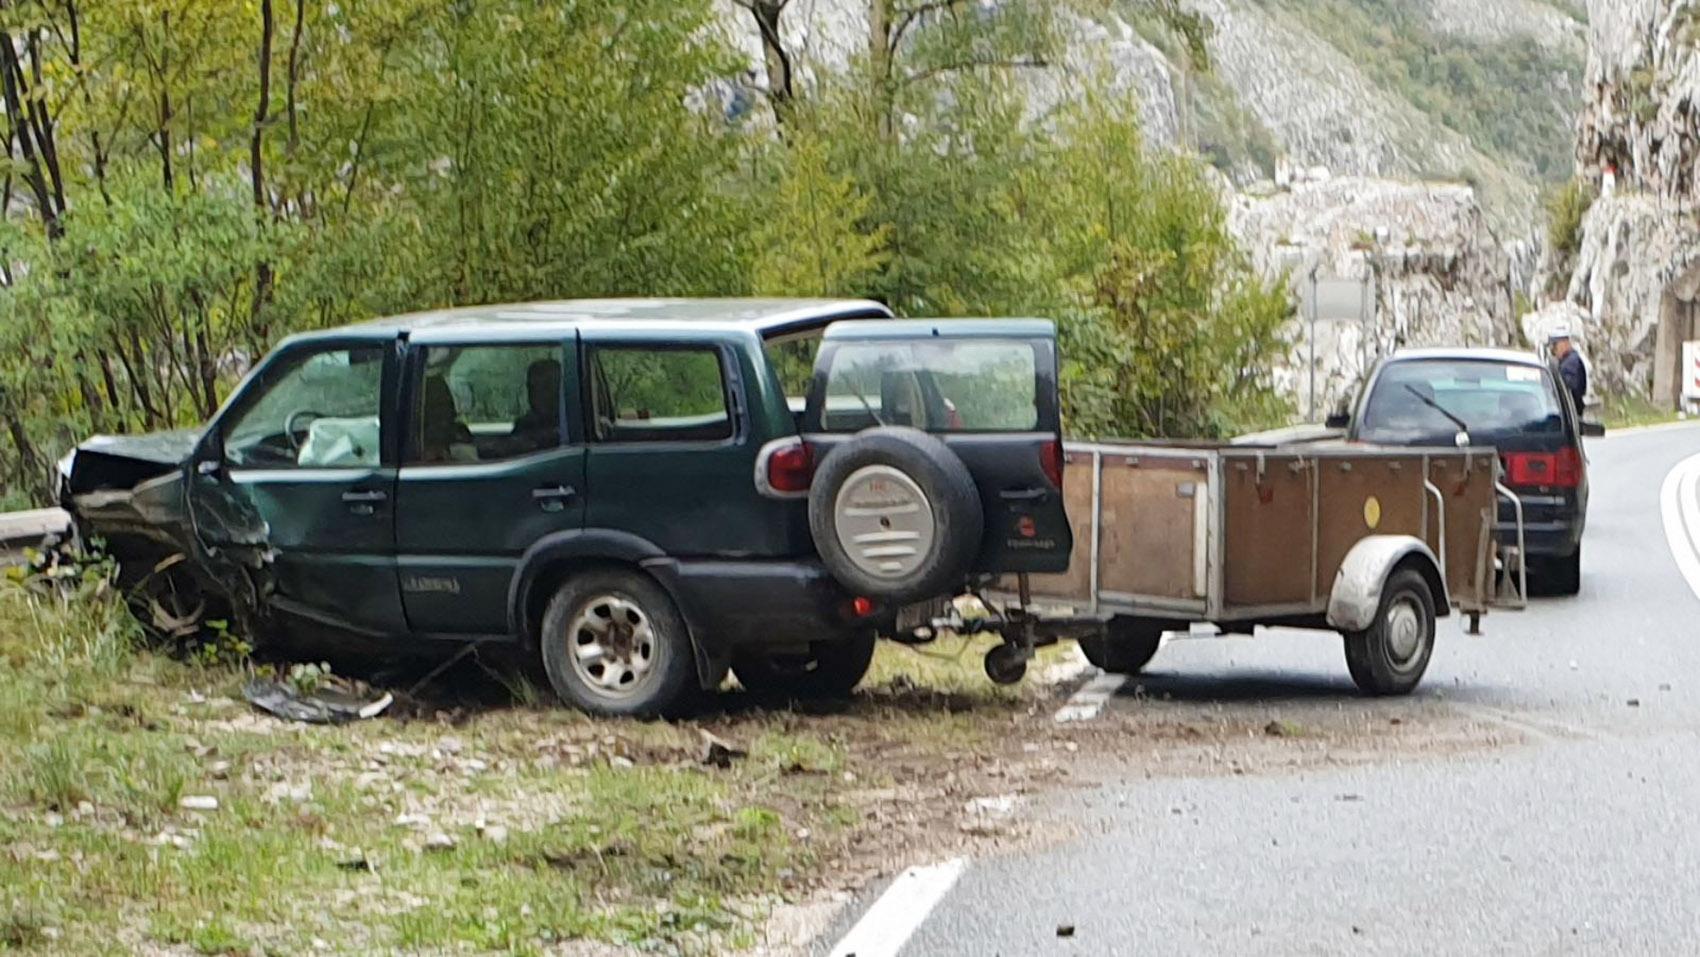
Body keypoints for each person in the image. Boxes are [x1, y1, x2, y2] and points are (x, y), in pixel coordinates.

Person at [1549, 326, 1588, 416]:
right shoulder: (1569, 360)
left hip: (1571, 413)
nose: (1553, 351)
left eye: (1554, 345)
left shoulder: (1570, 363)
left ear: (1564, 344)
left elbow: (1569, 389)